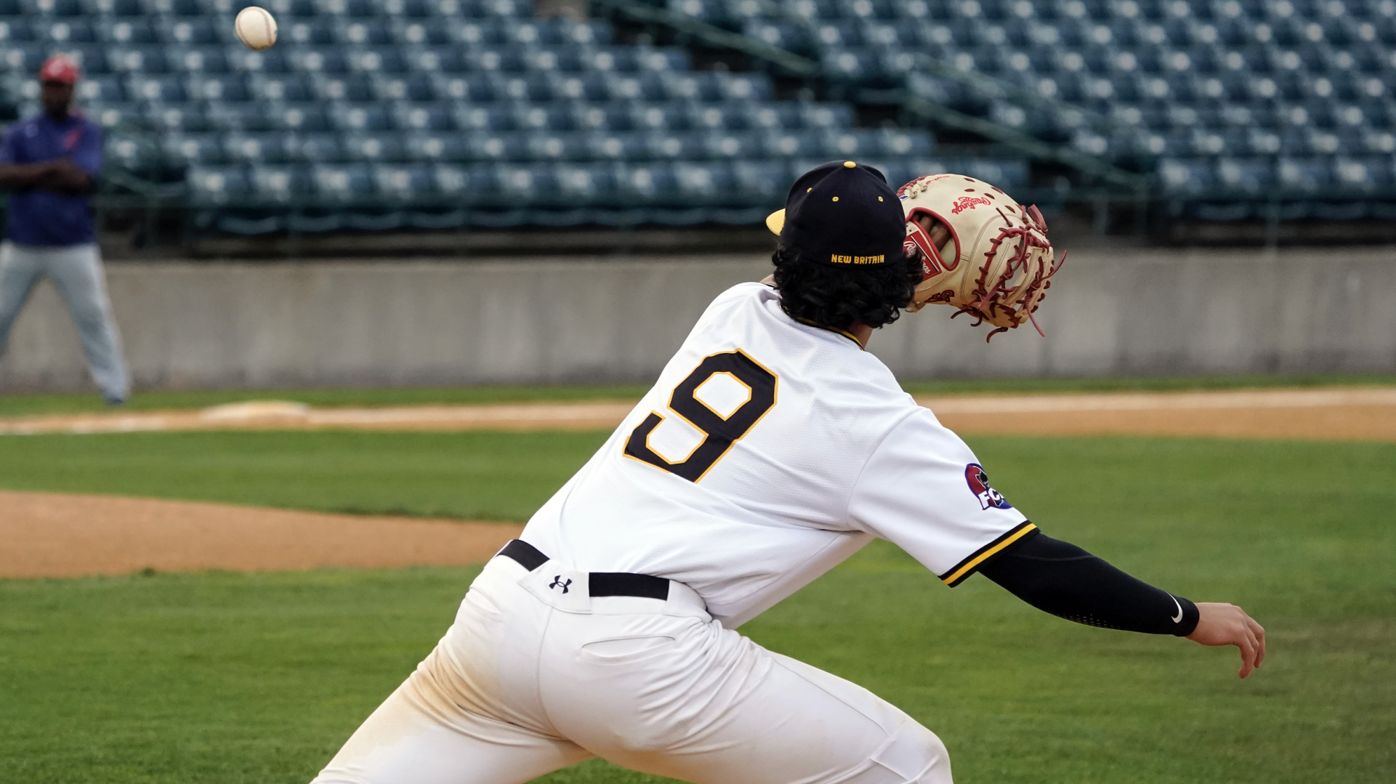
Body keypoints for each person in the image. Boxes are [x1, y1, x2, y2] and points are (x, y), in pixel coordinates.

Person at [309, 162, 1265, 784]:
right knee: (909, 770)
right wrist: (1185, 616)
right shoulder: (883, 425)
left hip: (500, 623)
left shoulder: (731, 311)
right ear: (897, 285)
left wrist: (897, 261)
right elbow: (1033, 564)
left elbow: (823, 261)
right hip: (641, 662)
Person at [0, 54, 129, 405]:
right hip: (23, 243)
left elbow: (81, 178)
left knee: (94, 317)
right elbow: (4, 175)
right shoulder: (21, 131)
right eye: (49, 85)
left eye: (60, 86)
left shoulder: (85, 131)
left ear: (72, 89)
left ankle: (115, 390)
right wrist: (52, 169)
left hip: (73, 244)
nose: (53, 93)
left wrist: (32, 175)